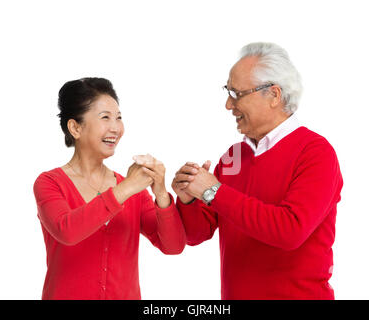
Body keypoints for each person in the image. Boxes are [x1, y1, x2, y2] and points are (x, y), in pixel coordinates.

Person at [172, 42, 343, 300]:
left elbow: (290, 231)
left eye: (237, 94)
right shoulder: (233, 157)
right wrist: (188, 198)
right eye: (228, 93)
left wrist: (212, 190)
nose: (228, 105)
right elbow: (196, 234)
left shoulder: (315, 152)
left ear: (273, 95)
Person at [33, 77, 185, 300]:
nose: (116, 128)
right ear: (75, 127)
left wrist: (160, 193)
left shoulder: (132, 189)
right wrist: (126, 188)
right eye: (105, 118)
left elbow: (172, 246)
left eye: (119, 118)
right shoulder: (49, 182)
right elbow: (68, 231)